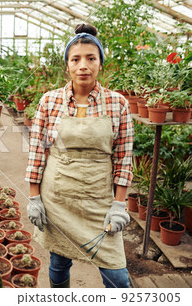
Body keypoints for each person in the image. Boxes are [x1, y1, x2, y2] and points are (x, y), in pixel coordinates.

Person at [25, 23, 133, 288]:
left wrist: (119, 205)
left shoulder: (118, 103)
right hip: (58, 199)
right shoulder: (49, 102)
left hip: (99, 201)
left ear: (100, 64)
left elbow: (123, 158)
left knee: (117, 276)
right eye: (76, 59)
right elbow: (37, 152)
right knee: (59, 263)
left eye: (91, 58)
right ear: (68, 66)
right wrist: (34, 198)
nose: (83, 65)